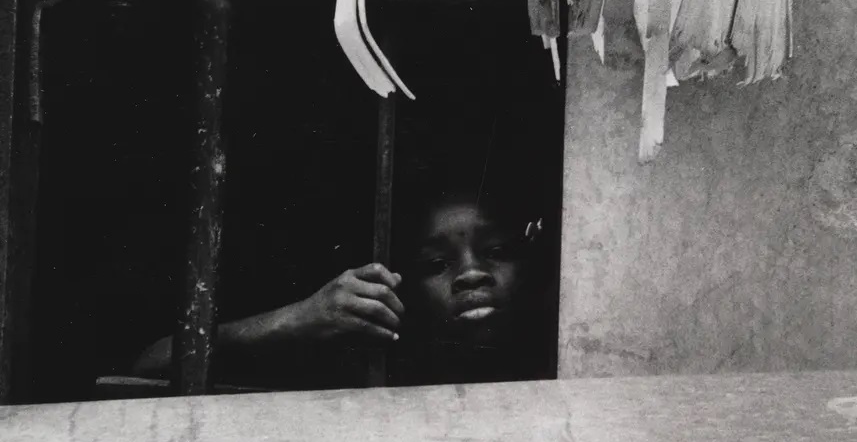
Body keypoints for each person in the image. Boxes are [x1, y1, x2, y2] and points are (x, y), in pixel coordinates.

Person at [132, 180, 551, 388]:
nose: (471, 273)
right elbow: (151, 364)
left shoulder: (563, 362)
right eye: (436, 264)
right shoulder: (366, 367)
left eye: (497, 250)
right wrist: (300, 318)